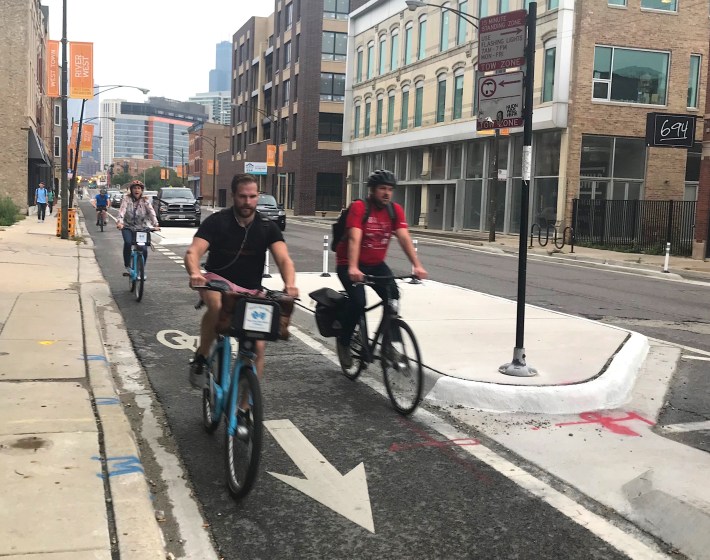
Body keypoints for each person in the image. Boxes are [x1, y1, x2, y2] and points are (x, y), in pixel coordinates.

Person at [184, 173, 299, 389]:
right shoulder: (217, 222)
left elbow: (284, 259)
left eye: (252, 196)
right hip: (217, 281)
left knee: (259, 348)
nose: (247, 202)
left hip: (251, 290)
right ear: (233, 196)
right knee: (217, 305)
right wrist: (194, 273)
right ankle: (201, 358)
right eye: (242, 196)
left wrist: (290, 284)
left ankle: (244, 412)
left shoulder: (267, 227)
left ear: (258, 196)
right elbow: (193, 252)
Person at [334, 169, 428, 366]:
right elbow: (354, 238)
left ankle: (387, 345)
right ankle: (344, 342)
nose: (386, 193)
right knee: (359, 302)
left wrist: (417, 266)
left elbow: (404, 238)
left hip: (375, 264)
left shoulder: (394, 211)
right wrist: (352, 267)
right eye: (382, 189)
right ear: (372, 190)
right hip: (348, 263)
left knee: (393, 296)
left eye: (390, 189)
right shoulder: (360, 207)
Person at [116, 180, 160, 275]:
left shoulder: (145, 200)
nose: (137, 190)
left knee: (143, 248)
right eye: (134, 188)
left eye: (139, 188)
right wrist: (120, 223)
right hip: (127, 227)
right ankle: (127, 264)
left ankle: (141, 268)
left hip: (141, 228)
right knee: (128, 243)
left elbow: (151, 212)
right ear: (131, 190)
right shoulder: (126, 199)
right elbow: (122, 210)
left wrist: (155, 224)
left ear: (142, 190)